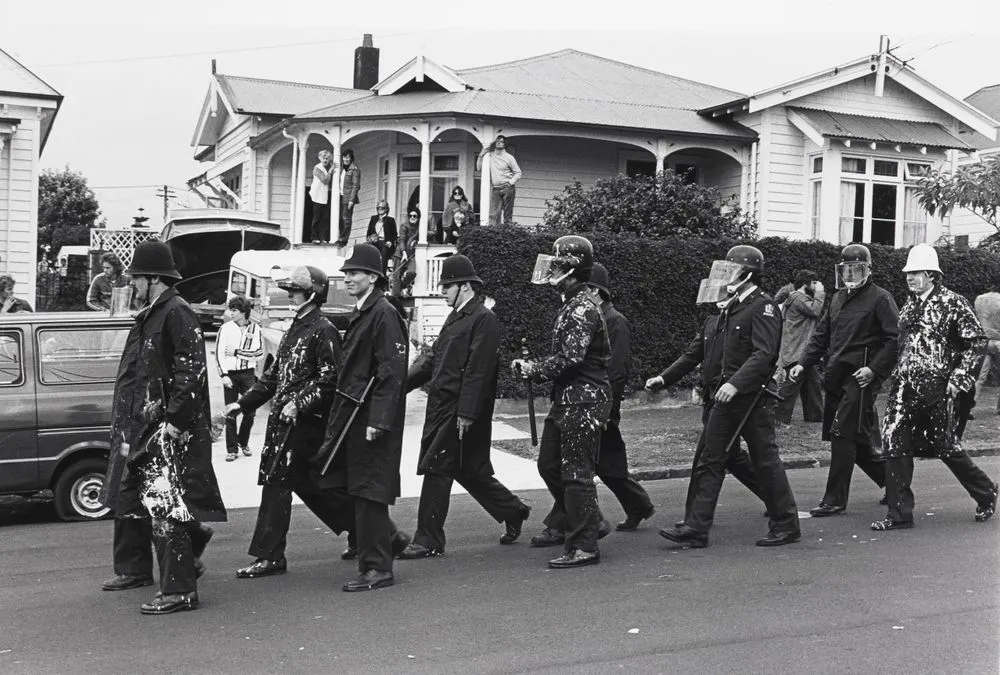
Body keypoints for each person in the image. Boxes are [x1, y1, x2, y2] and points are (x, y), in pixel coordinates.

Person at [657, 245, 800, 549]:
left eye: (732, 270)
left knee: (765, 460)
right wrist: (665, 378)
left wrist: (735, 383)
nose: (725, 276)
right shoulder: (731, 308)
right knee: (711, 458)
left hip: (751, 398)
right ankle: (696, 527)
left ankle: (786, 524)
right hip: (725, 399)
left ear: (748, 274)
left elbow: (764, 354)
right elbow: (698, 353)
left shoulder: (763, 307)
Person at [114, 241, 226, 614]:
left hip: (172, 427)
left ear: (153, 279)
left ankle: (179, 590)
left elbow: (191, 372)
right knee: (135, 492)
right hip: (151, 423)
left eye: (136, 278)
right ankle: (183, 549)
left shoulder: (177, 313)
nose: (132, 284)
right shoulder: (153, 313)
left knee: (164, 503)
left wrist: (175, 422)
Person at [397, 255, 532, 559]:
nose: (442, 290)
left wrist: (467, 413)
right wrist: (398, 387)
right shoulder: (457, 316)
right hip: (444, 406)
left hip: (460, 410)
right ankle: (514, 510)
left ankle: (428, 539)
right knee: (468, 471)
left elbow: (478, 370)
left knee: (437, 467)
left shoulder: (483, 318)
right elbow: (432, 358)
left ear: (466, 286)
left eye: (447, 285)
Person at [227, 266, 356, 579]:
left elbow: (330, 380)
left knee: (277, 483)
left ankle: (270, 555)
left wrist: (299, 403)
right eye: (289, 291)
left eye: (296, 291)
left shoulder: (322, 329)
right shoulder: (294, 328)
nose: (290, 296)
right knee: (314, 486)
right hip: (285, 425)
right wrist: (240, 405)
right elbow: (272, 378)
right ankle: (371, 533)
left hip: (304, 425)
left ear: (313, 293)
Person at [874, 244, 998, 531]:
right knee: (895, 444)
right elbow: (901, 346)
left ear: (932, 274)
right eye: (908, 272)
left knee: (945, 447)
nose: (910, 277)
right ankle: (899, 514)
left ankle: (985, 491)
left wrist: (959, 379)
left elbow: (976, 342)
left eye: (916, 272)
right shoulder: (908, 306)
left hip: (938, 388)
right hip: (904, 388)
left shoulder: (952, 302)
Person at [512, 235, 612, 569]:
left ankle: (584, 545)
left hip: (583, 401)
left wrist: (534, 369)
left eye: (557, 263)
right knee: (550, 465)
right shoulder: (572, 303)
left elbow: (571, 357)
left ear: (570, 268)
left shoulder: (582, 306)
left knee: (576, 474)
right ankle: (589, 520)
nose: (551, 268)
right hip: (569, 399)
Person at [316, 243, 409, 592]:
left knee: (369, 492)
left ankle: (377, 568)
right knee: (359, 490)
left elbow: (391, 371)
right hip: (356, 415)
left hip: (369, 418)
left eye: (355, 273)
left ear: (373, 277)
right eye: (347, 273)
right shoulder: (367, 311)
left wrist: (379, 420)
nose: (348, 278)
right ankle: (384, 549)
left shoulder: (382, 313)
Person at [790, 244, 896, 517]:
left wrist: (873, 370)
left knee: (842, 434)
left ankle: (834, 500)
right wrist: (803, 364)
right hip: (837, 376)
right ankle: (895, 483)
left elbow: (894, 340)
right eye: (846, 269)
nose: (850, 274)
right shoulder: (837, 298)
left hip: (861, 379)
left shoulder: (881, 299)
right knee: (856, 441)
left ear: (868, 268)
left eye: (856, 268)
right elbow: (821, 336)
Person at [586, 263, 655, 531]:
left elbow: (616, 370)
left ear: (596, 292)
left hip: (602, 405)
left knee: (582, 466)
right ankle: (638, 505)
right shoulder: (598, 319)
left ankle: (563, 522)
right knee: (608, 464)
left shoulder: (615, 322)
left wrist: (606, 408)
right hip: (598, 404)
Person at [216, 296, 263, 461]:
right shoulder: (225, 328)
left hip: (248, 374)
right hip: (230, 375)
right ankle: (232, 449)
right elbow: (220, 353)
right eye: (231, 310)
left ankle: (243, 442)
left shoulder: (256, 329)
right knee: (231, 412)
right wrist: (223, 375)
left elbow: (259, 354)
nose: (231, 313)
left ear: (243, 312)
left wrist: (237, 352)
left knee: (250, 412)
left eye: (234, 310)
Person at [775, 269, 825, 425]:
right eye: (814, 283)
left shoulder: (797, 298)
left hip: (800, 349)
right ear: (805, 284)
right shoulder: (797, 298)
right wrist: (820, 293)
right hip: (797, 350)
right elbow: (815, 310)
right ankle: (778, 418)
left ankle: (815, 417)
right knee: (791, 385)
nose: (817, 285)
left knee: (813, 384)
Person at [477, 135, 521, 226]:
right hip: (496, 189)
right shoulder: (490, 155)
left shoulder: (509, 157)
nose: (499, 142)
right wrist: (481, 155)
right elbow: (478, 168)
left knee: (507, 215)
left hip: (507, 188)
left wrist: (510, 183)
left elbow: (518, 173)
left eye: (501, 141)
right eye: (497, 141)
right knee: (494, 215)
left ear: (505, 144)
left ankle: (507, 235)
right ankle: (494, 235)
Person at [973, 291, 1000, 415]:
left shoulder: (979, 301)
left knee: (978, 376)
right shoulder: (997, 302)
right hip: (998, 340)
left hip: (984, 341)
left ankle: (969, 407)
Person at [336, 149, 361, 246]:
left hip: (348, 198)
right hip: (340, 196)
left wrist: (351, 200)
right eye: (344, 157)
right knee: (340, 218)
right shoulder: (342, 169)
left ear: (351, 158)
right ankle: (341, 236)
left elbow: (356, 185)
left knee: (346, 218)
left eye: (348, 157)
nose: (346, 159)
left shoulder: (354, 169)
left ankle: (343, 239)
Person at [309, 150, 335, 243]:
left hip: (324, 195)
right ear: (320, 158)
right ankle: (314, 237)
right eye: (323, 158)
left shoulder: (326, 168)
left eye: (327, 158)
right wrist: (331, 170)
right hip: (317, 195)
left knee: (324, 218)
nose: (325, 160)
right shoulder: (317, 168)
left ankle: (322, 237)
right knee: (317, 217)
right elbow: (325, 180)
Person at [366, 199, 397, 272]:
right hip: (374, 242)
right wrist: (369, 238)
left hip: (385, 243)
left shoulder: (390, 220)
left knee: (383, 257)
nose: (380, 209)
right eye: (378, 207)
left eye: (382, 207)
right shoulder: (373, 218)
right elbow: (369, 232)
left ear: (386, 209)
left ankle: (382, 275)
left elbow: (394, 234)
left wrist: (390, 241)